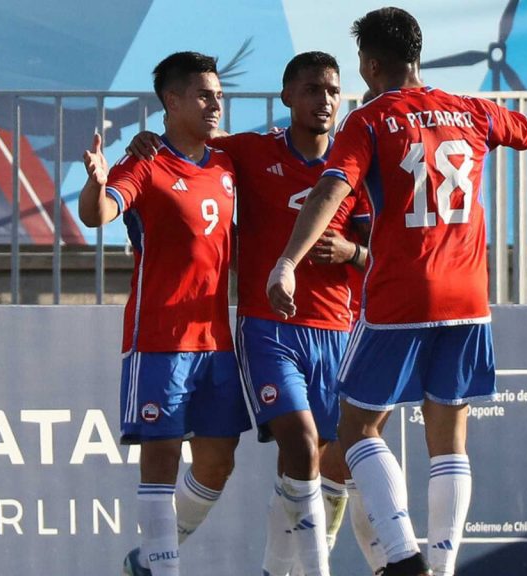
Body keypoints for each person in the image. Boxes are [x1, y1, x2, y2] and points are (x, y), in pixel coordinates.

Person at [266, 7, 527, 576]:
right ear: (419, 54)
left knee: (356, 425)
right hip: (469, 297)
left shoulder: (370, 119)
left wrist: (287, 260)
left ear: (370, 62)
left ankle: (404, 553)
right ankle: (442, 564)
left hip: (401, 294)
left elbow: (330, 193)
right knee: (449, 436)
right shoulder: (471, 110)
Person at [129, 51, 378, 576]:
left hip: (339, 330)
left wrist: (352, 254)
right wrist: (145, 140)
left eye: (332, 90)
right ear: (288, 97)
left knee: (317, 464)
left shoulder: (354, 167)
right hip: (268, 327)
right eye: (311, 89)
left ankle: (169, 553)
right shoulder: (249, 150)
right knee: (303, 444)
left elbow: (383, 253)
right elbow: (187, 150)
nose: (324, 99)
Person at [79, 51, 251, 576]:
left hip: (216, 340)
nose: (215, 104)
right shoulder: (145, 161)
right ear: (171, 101)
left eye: (219, 95)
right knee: (160, 462)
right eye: (204, 95)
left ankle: (153, 556)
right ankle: (164, 567)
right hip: (160, 338)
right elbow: (99, 212)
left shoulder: (226, 162)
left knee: (219, 462)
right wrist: (95, 180)